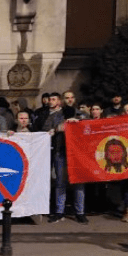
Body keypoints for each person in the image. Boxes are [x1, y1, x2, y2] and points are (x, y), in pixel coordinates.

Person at [41, 92, 87, 224]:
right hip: (60, 152)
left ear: (75, 99)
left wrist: (78, 123)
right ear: (62, 100)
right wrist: (58, 128)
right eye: (67, 97)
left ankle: (80, 212)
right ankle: (59, 212)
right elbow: (45, 130)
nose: (69, 100)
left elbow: (91, 128)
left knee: (79, 183)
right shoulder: (55, 115)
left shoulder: (82, 114)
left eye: (72, 97)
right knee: (60, 182)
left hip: (78, 154)